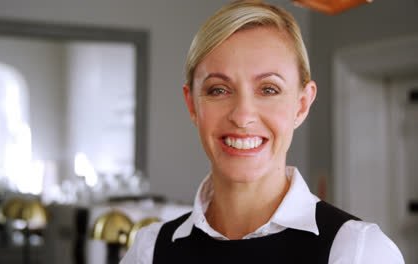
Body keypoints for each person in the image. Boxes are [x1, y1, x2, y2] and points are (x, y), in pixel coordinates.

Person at [121, 0, 404, 263]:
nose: (243, 116)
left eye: (268, 89)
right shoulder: (149, 251)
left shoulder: (358, 251)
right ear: (192, 104)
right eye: (218, 90)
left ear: (302, 104)